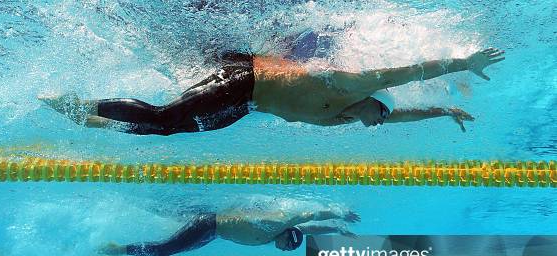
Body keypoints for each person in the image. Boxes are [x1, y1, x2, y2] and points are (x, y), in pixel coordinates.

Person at [40, 47, 503, 134]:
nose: (379, 123)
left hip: (246, 104)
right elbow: (409, 71)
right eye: (380, 116)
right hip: (246, 77)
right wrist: (464, 63)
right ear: (374, 105)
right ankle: (81, 102)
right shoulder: (353, 84)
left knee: (167, 132)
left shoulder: (338, 118)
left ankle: (96, 122)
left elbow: (400, 115)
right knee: (164, 116)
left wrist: (444, 112)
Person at [98, 208, 359, 256]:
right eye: (287, 247)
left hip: (211, 233)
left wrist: (336, 229)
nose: (282, 251)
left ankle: (122, 244)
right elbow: (307, 217)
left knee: (174, 249)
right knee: (164, 250)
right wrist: (338, 213)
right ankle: (118, 248)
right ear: (285, 237)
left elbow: (308, 229)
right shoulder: (276, 224)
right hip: (208, 225)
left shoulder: (275, 235)